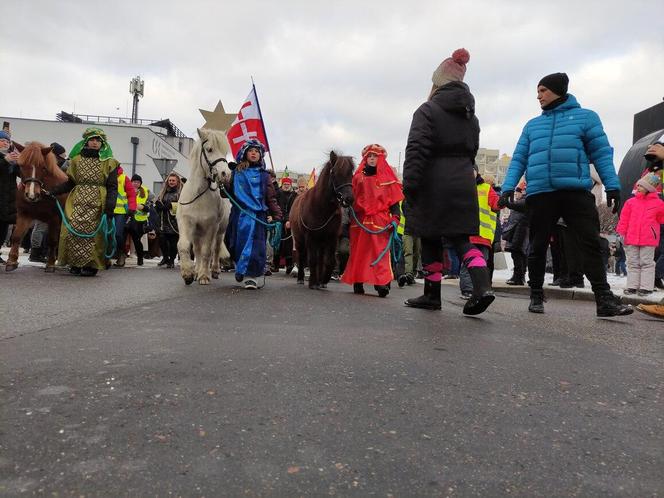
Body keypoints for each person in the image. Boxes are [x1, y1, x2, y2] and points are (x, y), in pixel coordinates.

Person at [499, 72, 631, 316]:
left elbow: (601, 153)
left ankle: (603, 299)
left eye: (543, 90)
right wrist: (508, 187)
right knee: (537, 245)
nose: (538, 96)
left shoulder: (586, 118)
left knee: (589, 243)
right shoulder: (533, 125)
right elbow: (519, 158)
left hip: (575, 192)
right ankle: (536, 295)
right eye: (537, 91)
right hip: (540, 193)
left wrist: (612, 185)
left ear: (558, 90)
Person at [402, 48, 495, 315]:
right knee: (461, 238)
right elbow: (472, 150)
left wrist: (410, 185)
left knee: (430, 234)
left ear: (437, 82)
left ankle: (432, 294)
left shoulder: (427, 110)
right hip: (462, 181)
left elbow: (416, 150)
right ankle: (482, 286)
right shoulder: (470, 116)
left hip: (433, 182)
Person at [50, 127, 119, 276]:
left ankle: (91, 265)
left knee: (94, 234)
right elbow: (71, 183)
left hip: (98, 201)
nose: (95, 143)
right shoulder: (76, 160)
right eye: (92, 140)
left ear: (102, 143)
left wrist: (110, 206)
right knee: (73, 231)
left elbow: (113, 187)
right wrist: (54, 191)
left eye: (98, 140)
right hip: (77, 200)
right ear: (86, 142)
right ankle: (74, 262)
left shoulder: (110, 162)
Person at [341, 144, 403, 297]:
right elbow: (350, 198)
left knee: (379, 253)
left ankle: (381, 283)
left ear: (380, 158)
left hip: (380, 221)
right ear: (365, 158)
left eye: (375, 156)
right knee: (359, 252)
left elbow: (394, 204)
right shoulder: (357, 178)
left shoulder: (388, 180)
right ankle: (358, 280)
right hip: (360, 221)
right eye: (369, 156)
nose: (372, 158)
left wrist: (395, 218)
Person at [224, 140, 282, 289]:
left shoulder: (265, 176)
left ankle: (251, 277)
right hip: (239, 215)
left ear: (260, 155)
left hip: (257, 217)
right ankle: (240, 268)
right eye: (251, 150)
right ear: (245, 153)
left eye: (257, 151)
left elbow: (271, 198)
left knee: (256, 248)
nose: (254, 153)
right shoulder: (236, 172)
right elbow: (227, 194)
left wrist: (277, 216)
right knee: (235, 243)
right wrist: (224, 182)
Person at [615, 173, 664, 296]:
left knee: (647, 262)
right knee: (632, 262)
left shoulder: (658, 204)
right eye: (638, 185)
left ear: (649, 188)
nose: (638, 187)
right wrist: (621, 232)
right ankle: (632, 286)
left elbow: (661, 219)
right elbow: (624, 219)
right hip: (631, 237)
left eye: (641, 185)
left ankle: (646, 287)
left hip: (648, 238)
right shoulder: (630, 202)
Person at [459, 168, 500, 298]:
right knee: (469, 265)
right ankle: (468, 290)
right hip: (468, 235)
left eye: (472, 170)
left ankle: (478, 290)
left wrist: (504, 201)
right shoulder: (462, 188)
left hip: (483, 236)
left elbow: (496, 205)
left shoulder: (486, 188)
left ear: (477, 172)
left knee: (479, 264)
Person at [29, 142, 68, 263]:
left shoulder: (49, 164)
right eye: (62, 154)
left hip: (52, 199)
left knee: (46, 227)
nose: (64, 157)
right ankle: (36, 253)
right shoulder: (48, 166)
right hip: (45, 199)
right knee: (41, 226)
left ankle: (40, 252)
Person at [501, 180, 529, 286]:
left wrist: (506, 201)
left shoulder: (526, 200)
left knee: (517, 253)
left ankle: (518, 277)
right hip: (518, 230)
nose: (516, 194)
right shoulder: (524, 201)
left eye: (517, 192)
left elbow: (514, 205)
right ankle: (518, 276)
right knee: (518, 254)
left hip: (521, 231)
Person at [111, 165, 137, 267]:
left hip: (120, 211)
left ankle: (121, 254)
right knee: (105, 235)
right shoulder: (104, 176)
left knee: (118, 234)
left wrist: (132, 208)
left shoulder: (123, 178)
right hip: (107, 210)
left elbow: (131, 194)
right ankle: (105, 257)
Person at [125, 174, 154, 266]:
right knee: (122, 238)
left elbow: (150, 205)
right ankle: (121, 257)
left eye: (138, 182)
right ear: (131, 182)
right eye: (134, 182)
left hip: (140, 220)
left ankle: (140, 258)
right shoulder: (126, 190)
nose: (136, 184)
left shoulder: (146, 191)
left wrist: (143, 207)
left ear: (140, 183)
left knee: (137, 240)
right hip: (128, 218)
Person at [155, 173, 181, 269]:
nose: (171, 182)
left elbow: (183, 205)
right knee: (162, 240)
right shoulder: (163, 191)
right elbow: (158, 201)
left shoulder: (180, 192)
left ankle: (171, 260)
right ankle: (165, 257)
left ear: (177, 181)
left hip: (174, 222)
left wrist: (171, 206)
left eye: (173, 180)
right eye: (170, 180)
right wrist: (158, 204)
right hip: (163, 221)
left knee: (173, 243)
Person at [0, 130, 19, 264]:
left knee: (2, 230)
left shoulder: (10, 158)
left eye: (7, 141)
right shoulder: (5, 159)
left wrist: (19, 162)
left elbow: (20, 175)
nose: (5, 143)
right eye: (2, 140)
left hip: (7, 201)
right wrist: (5, 161)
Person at [274, 176, 297, 274]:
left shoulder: (293, 195)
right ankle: (275, 265)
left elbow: (293, 209)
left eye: (288, 184)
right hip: (278, 220)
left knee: (288, 244)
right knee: (277, 243)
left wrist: (289, 220)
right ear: (282, 185)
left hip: (289, 222)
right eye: (285, 184)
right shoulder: (278, 194)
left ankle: (289, 265)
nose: (286, 186)